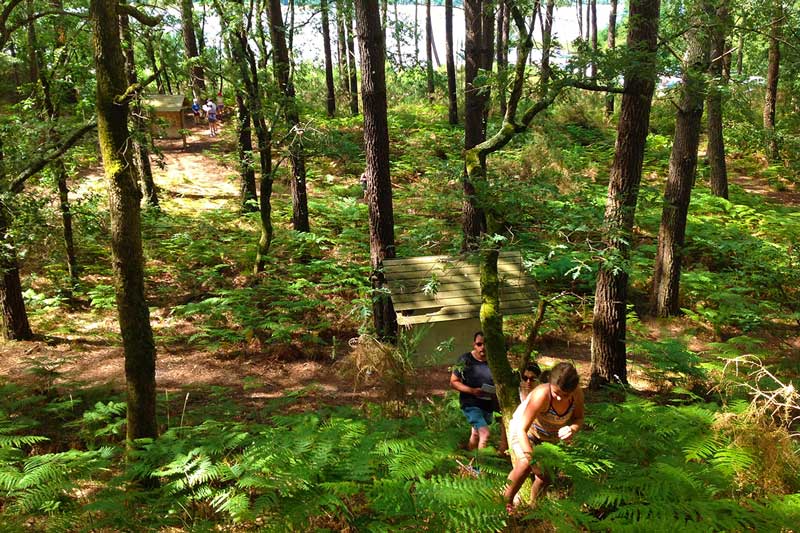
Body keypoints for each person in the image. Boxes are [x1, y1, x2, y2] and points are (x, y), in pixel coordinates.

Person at [504, 362, 584, 510]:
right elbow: (521, 429)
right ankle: (503, 504)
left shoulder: (577, 394)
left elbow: (579, 418)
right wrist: (533, 460)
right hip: (526, 432)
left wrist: (572, 429)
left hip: (550, 439)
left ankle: (534, 510)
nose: (560, 398)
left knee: (545, 476)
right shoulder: (541, 395)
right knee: (525, 464)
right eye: (556, 394)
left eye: (565, 395)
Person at [450, 332, 497, 450]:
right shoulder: (465, 359)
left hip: (487, 404)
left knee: (476, 434)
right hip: (470, 404)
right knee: (485, 434)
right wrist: (472, 391)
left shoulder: (495, 362)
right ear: (474, 345)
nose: (483, 347)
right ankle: (481, 466)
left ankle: (469, 455)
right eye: (479, 344)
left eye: (485, 344)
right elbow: (454, 382)